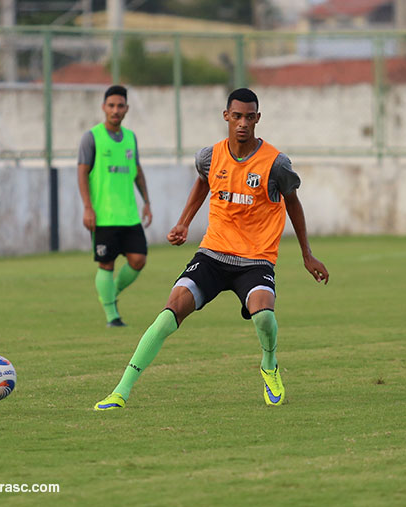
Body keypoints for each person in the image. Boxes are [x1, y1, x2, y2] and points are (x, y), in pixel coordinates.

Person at [93, 87, 329, 410]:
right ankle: (120, 391)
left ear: (258, 119)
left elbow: (293, 204)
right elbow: (203, 182)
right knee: (167, 315)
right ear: (226, 117)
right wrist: (183, 222)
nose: (242, 123)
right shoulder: (210, 156)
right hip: (213, 255)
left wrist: (307, 254)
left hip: (255, 260)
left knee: (264, 318)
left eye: (249, 117)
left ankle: (269, 364)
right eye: (237, 116)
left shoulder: (276, 164)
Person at [77, 85, 152, 327]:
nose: (115, 110)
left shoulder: (130, 138)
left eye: (120, 106)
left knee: (138, 260)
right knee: (106, 264)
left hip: (129, 214)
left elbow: (137, 172)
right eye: (111, 105)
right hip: (104, 215)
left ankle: (111, 293)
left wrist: (147, 202)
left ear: (126, 109)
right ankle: (113, 317)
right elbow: (82, 173)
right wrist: (88, 207)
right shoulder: (92, 138)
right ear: (103, 107)